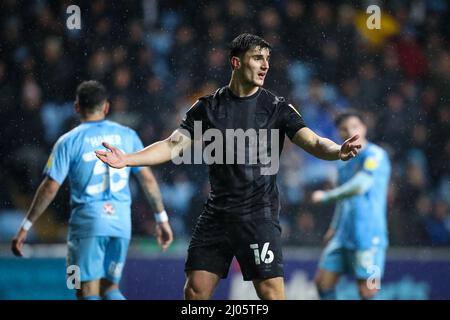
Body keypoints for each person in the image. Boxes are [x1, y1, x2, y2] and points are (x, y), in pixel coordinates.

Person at [96, 34, 361, 300]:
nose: (265, 65)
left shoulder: (277, 108)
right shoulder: (207, 107)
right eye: (258, 58)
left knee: (272, 295)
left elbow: (313, 141)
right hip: (217, 215)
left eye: (267, 59)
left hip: (258, 216)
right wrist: (128, 159)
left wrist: (338, 151)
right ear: (236, 62)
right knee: (195, 292)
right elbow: (172, 145)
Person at [11, 80, 173, 300]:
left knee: (83, 290)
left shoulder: (68, 141)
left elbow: (50, 186)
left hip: (87, 223)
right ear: (106, 107)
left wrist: (26, 225)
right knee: (110, 289)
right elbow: (148, 180)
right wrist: (161, 218)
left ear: (77, 107)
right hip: (121, 223)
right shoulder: (128, 135)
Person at [311, 110, 391, 300]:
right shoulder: (342, 161)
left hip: (369, 237)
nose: (350, 132)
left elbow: (360, 186)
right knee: (322, 282)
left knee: (368, 291)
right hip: (343, 235)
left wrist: (325, 196)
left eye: (354, 126)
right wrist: (334, 226)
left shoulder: (375, 155)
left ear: (364, 128)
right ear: (338, 134)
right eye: (343, 129)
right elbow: (343, 197)